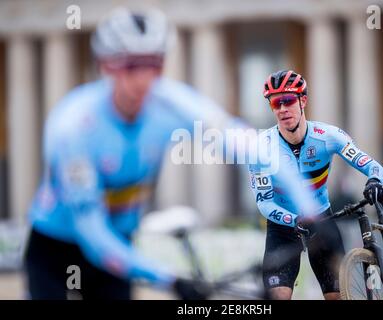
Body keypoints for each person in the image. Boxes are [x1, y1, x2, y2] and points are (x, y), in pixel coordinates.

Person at [24, 7, 240, 300]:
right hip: (58, 248)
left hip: (120, 241)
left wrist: (310, 213)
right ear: (106, 66)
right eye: (131, 66)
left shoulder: (168, 105)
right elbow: (93, 236)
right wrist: (169, 280)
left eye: (155, 65)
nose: (144, 79)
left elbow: (246, 143)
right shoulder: (74, 126)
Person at [248, 70, 383, 300]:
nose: (283, 109)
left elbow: (373, 166)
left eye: (288, 101)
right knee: (277, 296)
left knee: (336, 295)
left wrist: (374, 181)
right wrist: (292, 219)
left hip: (322, 222)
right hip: (283, 227)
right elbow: (264, 202)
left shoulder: (328, 136)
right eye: (276, 103)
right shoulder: (261, 148)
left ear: (302, 100)